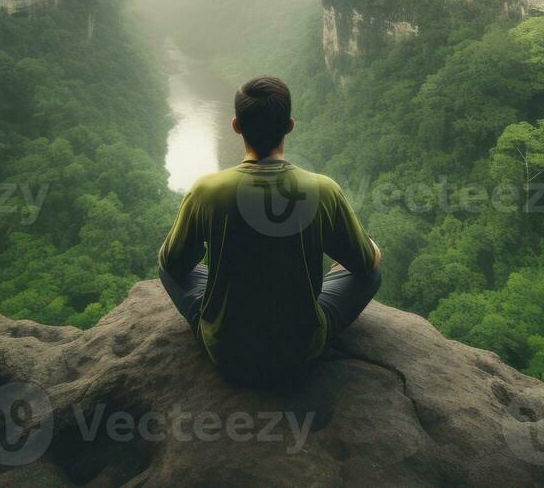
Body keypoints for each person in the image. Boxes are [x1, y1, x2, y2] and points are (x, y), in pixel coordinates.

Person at [158, 75, 381, 382]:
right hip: (300, 350)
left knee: (168, 267)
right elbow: (366, 264)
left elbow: (173, 264)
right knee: (370, 272)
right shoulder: (322, 190)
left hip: (226, 351)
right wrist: (370, 248)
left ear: (236, 125)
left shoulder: (207, 190)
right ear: (290, 125)